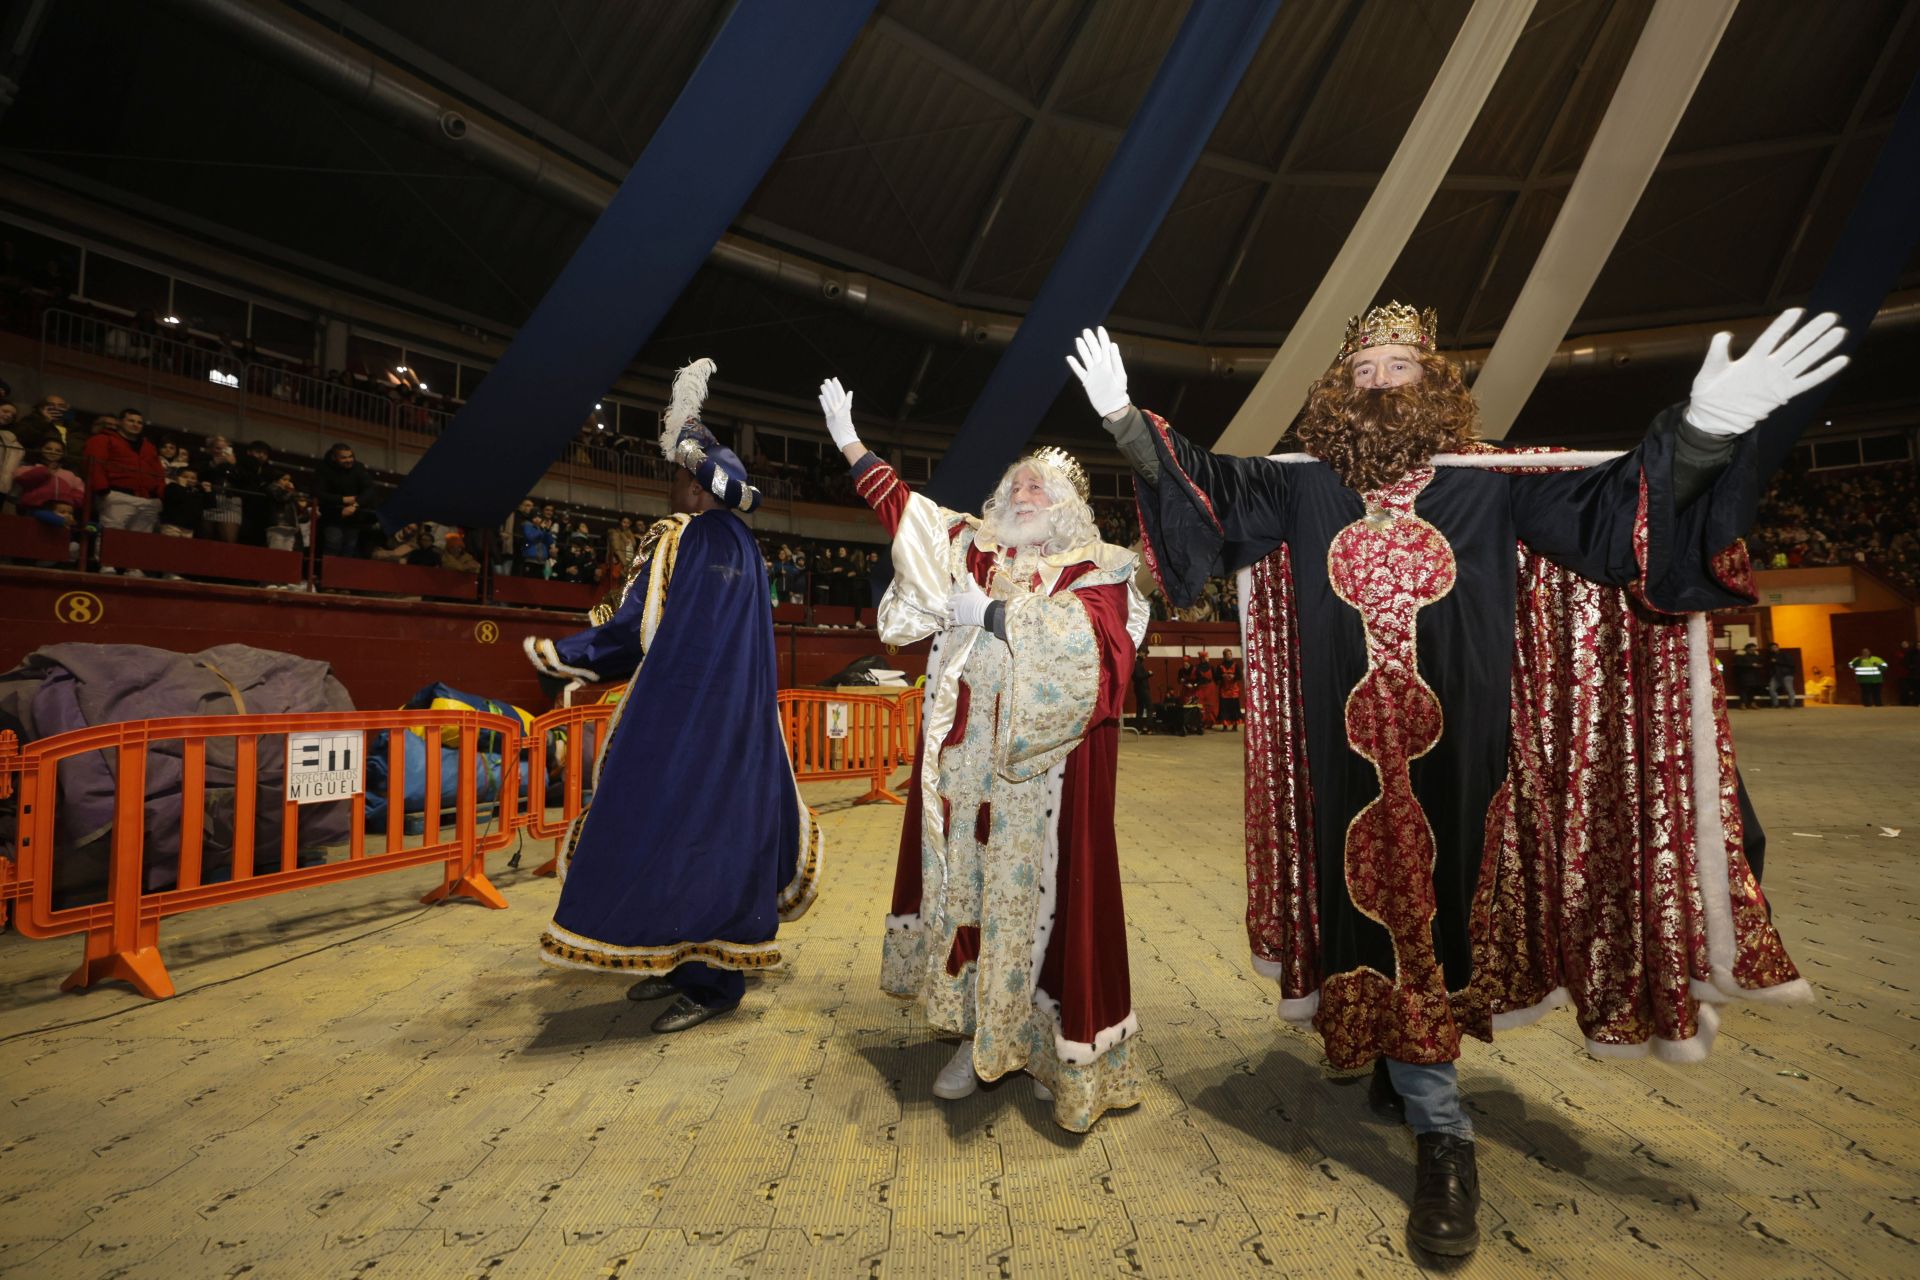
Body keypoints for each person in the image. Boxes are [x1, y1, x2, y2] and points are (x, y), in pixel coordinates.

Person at [1069, 306, 1833, 1257]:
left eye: (1400, 364)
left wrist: (1702, 432)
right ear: (1337, 389)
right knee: (1374, 905)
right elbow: (1209, 496)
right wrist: (1128, 424)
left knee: (1445, 913)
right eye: (1365, 368)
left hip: (1464, 755)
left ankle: (1430, 1101)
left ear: (1434, 382)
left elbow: (1615, 516)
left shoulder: (1494, 481)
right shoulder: (1300, 489)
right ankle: (1438, 1119)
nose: (1383, 379)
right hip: (1344, 759)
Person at [819, 374, 1148, 1133]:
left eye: (1042, 485)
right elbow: (909, 518)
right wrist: (852, 445)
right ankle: (975, 1038)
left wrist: (999, 614)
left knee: (1050, 913)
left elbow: (1097, 657)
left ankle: (1048, 1050)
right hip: (966, 779)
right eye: (1016, 482)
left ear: (1069, 504)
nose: (1025, 491)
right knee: (967, 904)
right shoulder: (969, 545)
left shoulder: (1102, 566)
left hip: (1049, 786)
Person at [526, 358, 820, 1032]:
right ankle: (688, 967)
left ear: (693, 489)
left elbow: (638, 626)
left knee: (670, 830)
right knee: (714, 837)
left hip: (686, 727)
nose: (672, 489)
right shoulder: (745, 546)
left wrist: (564, 654)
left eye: (677, 478)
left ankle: (711, 985)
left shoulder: (682, 538)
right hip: (741, 728)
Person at [82, 407, 165, 536]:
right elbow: (95, 465)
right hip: (117, 495)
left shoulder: (149, 447)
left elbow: (158, 472)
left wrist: (160, 493)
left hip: (147, 500)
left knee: (139, 543)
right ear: (120, 422)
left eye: (139, 422)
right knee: (111, 538)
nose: (135, 425)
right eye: (131, 421)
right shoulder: (103, 440)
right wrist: (102, 489)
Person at [316, 442, 377, 557]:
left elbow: (369, 489)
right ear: (334, 457)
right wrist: (343, 500)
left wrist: (354, 505)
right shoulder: (323, 469)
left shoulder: (358, 467)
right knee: (333, 544)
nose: (349, 460)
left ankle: (340, 574)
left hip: (354, 516)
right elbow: (318, 493)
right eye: (344, 458)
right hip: (332, 515)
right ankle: (327, 573)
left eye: (350, 456)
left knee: (349, 547)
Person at [158, 467, 211, 538]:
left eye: (193, 478)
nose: (189, 479)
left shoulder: (196, 492)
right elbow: (177, 498)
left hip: (189, 528)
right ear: (178, 477)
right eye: (185, 477)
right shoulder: (172, 487)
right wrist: (182, 486)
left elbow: (208, 505)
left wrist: (208, 492)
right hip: (171, 525)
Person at [1216, 649, 1243, 730]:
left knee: (1234, 708)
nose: (1229, 656)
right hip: (1224, 690)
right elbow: (1216, 677)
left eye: (1230, 654)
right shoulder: (1220, 666)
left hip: (1234, 690)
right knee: (1224, 708)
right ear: (1224, 656)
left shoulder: (1236, 665)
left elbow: (1240, 676)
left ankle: (1235, 725)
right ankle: (1225, 725)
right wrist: (1222, 676)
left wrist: (1234, 676)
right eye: (1227, 654)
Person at [1766, 642, 1797, 709]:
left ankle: (1791, 704)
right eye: (1771, 648)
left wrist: (1776, 661)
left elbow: (1791, 663)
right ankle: (1775, 704)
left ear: (1778, 647)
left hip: (1786, 674)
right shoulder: (1770, 656)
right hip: (1777, 675)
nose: (1773, 649)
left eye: (1774, 647)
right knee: (1771, 689)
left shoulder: (1785, 654)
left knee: (1789, 689)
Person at [1129, 651, 1154, 734]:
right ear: (1140, 653)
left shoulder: (1136, 664)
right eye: (1144, 653)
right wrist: (1148, 674)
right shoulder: (1137, 664)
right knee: (1150, 707)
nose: (1145, 655)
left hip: (1139, 688)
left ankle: (1138, 728)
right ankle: (1147, 727)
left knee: (1140, 708)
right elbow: (1138, 676)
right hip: (1142, 689)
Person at [1898, 640, 1920, 708]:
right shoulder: (1911, 653)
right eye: (1918, 645)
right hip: (1914, 675)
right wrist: (1911, 667)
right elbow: (1905, 662)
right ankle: (1916, 702)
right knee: (1915, 689)